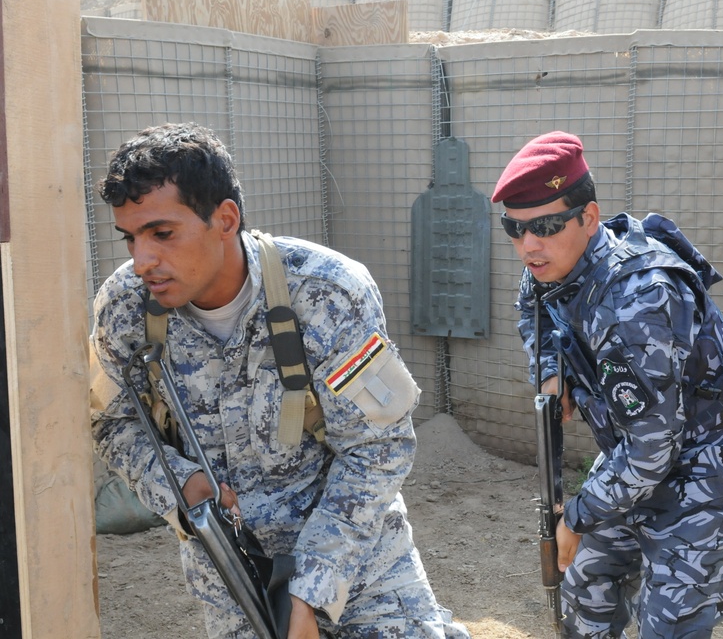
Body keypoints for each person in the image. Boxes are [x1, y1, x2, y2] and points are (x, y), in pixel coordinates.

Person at [90, 122, 470, 639]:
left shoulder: (328, 293)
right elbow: (111, 423)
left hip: (358, 565)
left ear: (224, 219)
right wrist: (176, 483)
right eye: (129, 238)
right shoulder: (124, 310)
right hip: (232, 576)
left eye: (162, 234)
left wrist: (311, 589)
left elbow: (379, 449)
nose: (141, 261)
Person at [493, 131, 723, 638]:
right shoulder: (549, 266)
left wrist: (576, 518)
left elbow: (651, 451)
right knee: (585, 583)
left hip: (707, 464)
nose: (529, 245)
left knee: (669, 622)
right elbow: (529, 309)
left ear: (589, 217)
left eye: (547, 226)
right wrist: (551, 371)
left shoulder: (638, 302)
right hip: (639, 450)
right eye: (515, 228)